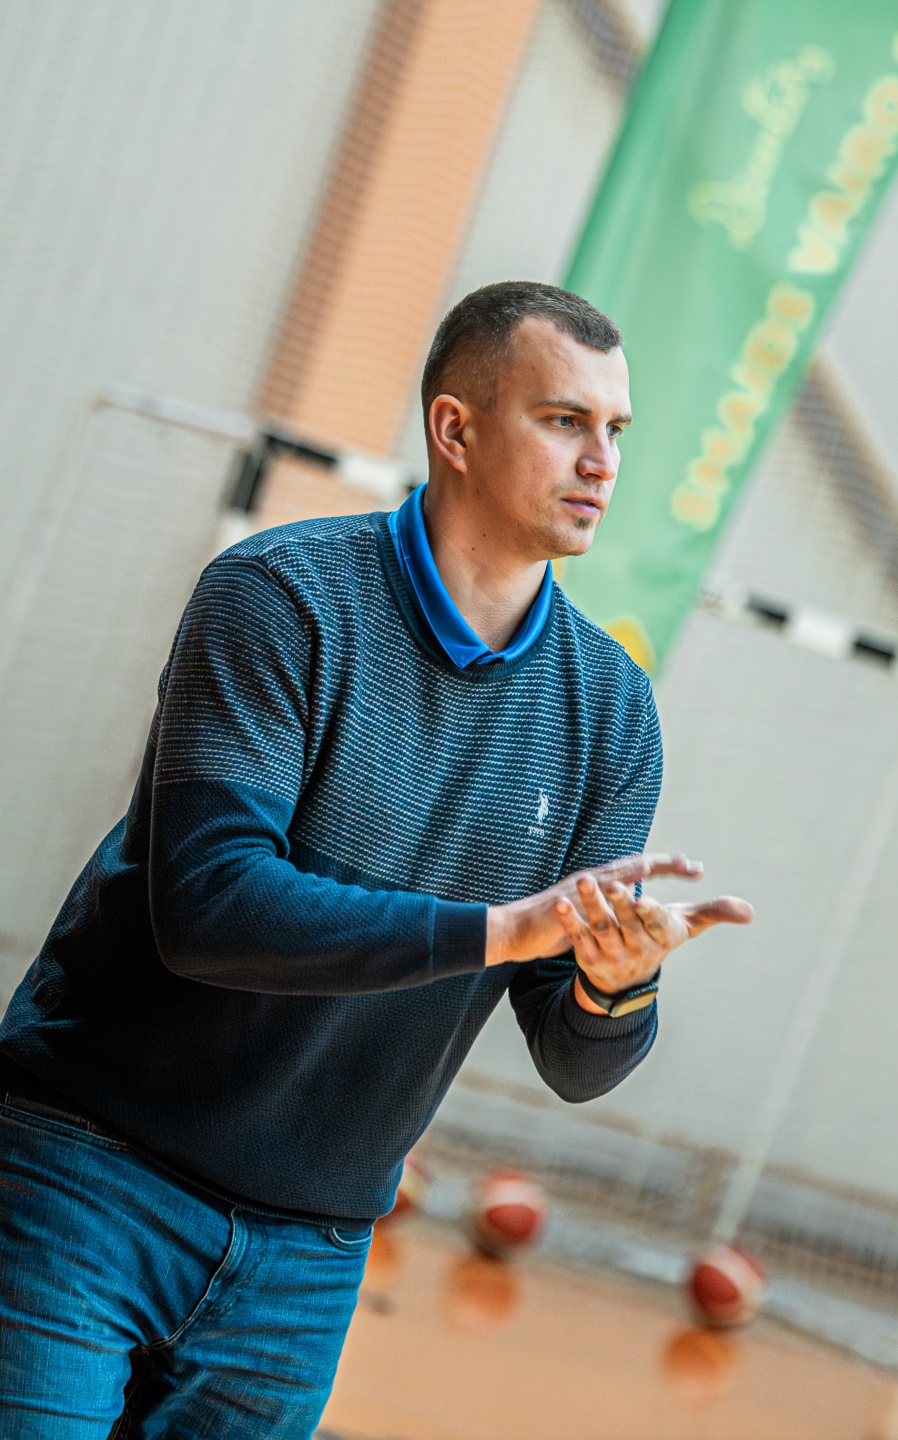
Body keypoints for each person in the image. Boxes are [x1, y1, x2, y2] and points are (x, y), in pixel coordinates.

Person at [0, 281, 752, 1436]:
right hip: (87, 1174)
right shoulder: (278, 595)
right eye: (564, 421)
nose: (603, 461)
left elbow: (576, 1059)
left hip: (308, 1260)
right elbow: (210, 906)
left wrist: (616, 983)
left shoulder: (613, 714)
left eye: (615, 429)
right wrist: (503, 930)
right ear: (456, 430)